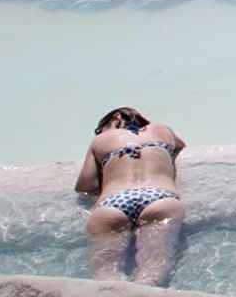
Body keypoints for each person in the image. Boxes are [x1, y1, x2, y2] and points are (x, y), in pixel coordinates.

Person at [75, 105, 186, 285]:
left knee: (106, 275)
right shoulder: (163, 130)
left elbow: (85, 186)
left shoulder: (101, 140)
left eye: (100, 128)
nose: (100, 133)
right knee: (153, 270)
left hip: (114, 202)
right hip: (160, 197)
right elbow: (180, 145)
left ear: (116, 118)